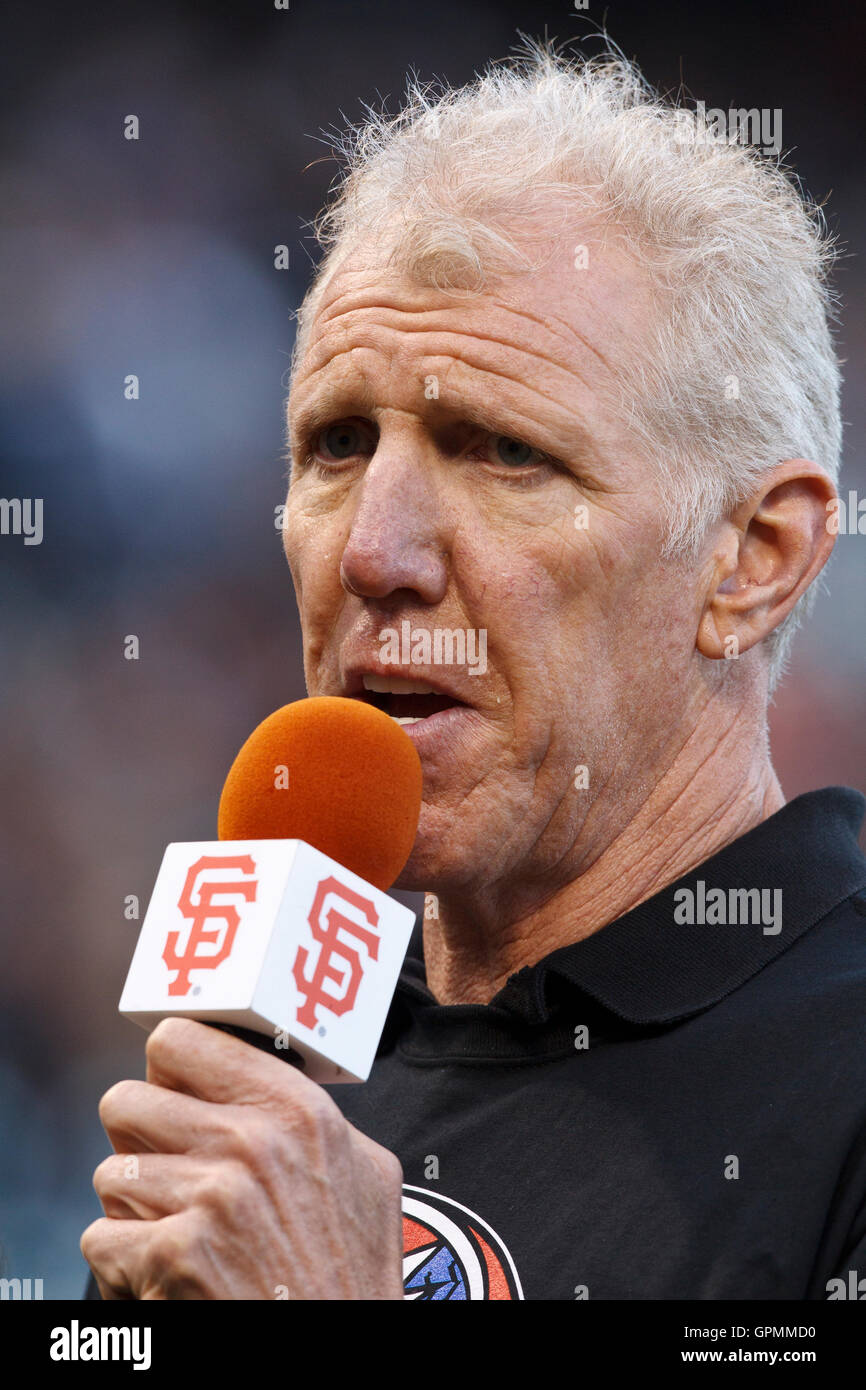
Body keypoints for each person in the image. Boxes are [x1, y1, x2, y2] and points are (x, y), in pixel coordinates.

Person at [82, 42, 866, 1301]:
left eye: (500, 450)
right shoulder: (287, 1055)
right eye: (337, 443)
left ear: (750, 561)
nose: (374, 552)